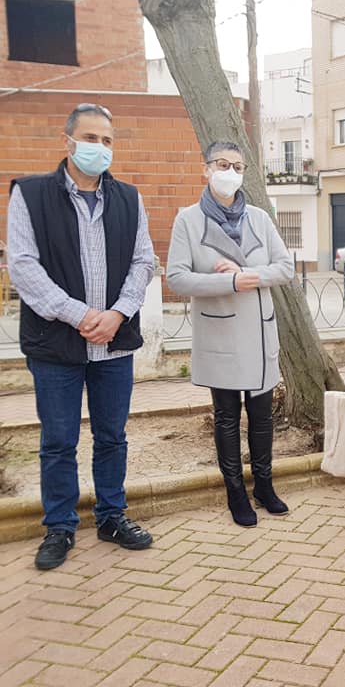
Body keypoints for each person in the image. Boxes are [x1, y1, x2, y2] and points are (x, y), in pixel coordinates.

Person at [6, 103, 156, 570]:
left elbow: (143, 262)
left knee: (112, 436)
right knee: (58, 441)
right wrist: (79, 315)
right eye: (91, 138)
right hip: (56, 346)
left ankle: (112, 516)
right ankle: (60, 526)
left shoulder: (129, 198)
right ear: (67, 140)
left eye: (108, 140)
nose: (100, 148)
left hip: (114, 342)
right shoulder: (29, 195)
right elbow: (23, 268)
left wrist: (116, 314)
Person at [166, 141, 295, 527]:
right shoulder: (187, 220)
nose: (230, 172)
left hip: (258, 331)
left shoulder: (259, 216)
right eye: (222, 164)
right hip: (221, 334)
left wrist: (247, 278)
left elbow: (285, 267)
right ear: (205, 169)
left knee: (261, 415)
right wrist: (228, 284)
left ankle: (265, 486)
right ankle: (235, 493)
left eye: (237, 166)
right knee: (226, 416)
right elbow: (176, 278)